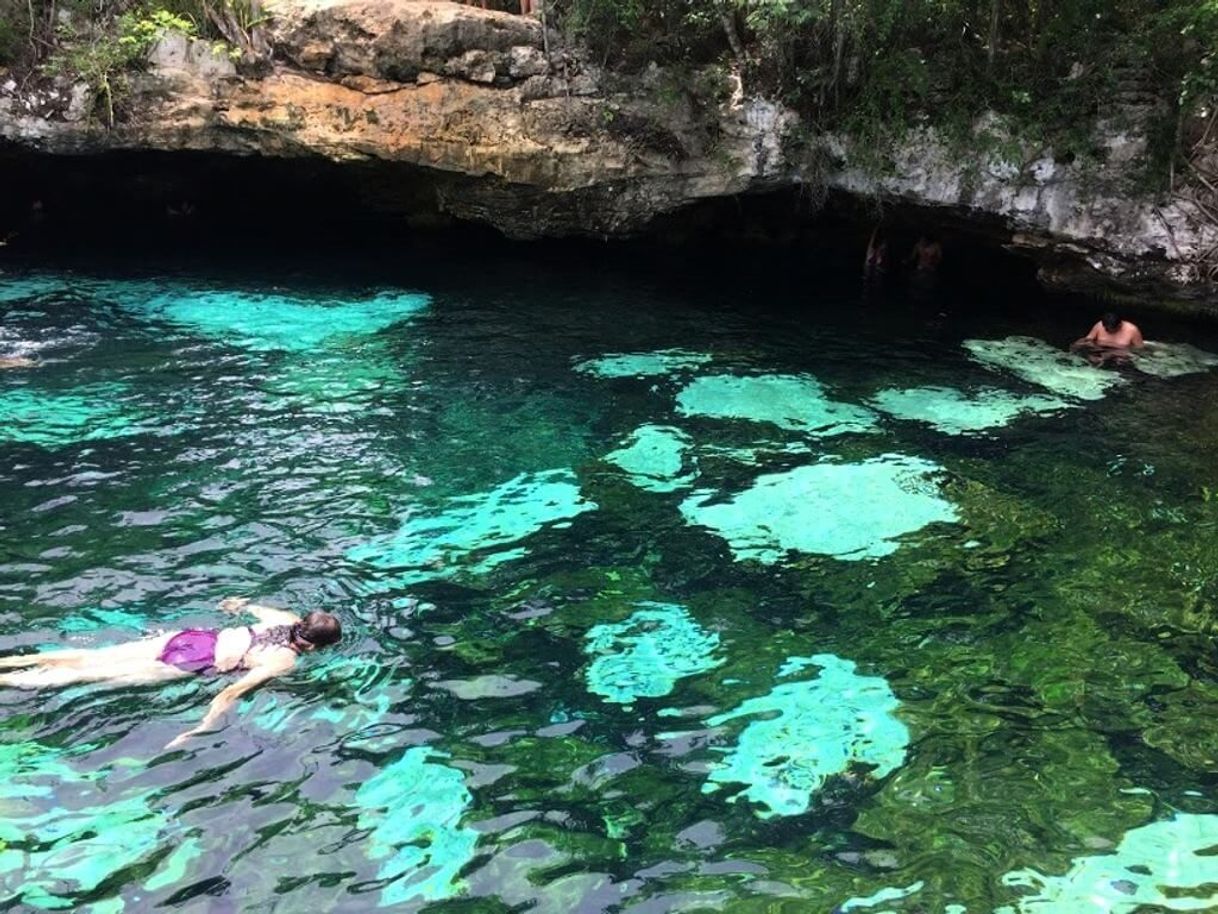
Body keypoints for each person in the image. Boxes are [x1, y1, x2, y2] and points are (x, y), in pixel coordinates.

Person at [0, 597, 342, 749]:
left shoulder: (281, 618)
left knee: (92, 657)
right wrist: (202, 728)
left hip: (192, 638)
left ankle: (9, 662)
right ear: (312, 646)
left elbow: (241, 605)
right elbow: (230, 692)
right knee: (87, 676)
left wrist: (235, 604)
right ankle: (7, 679)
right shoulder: (285, 660)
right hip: (193, 662)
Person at [1071, 311, 1145, 352]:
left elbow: (1139, 349)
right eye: (1106, 329)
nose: (1108, 331)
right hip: (1100, 350)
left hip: (1121, 354)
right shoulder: (1100, 325)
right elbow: (1088, 339)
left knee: (1120, 361)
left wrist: (1115, 354)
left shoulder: (1132, 330)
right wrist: (1077, 344)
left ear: (1119, 325)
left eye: (1110, 329)